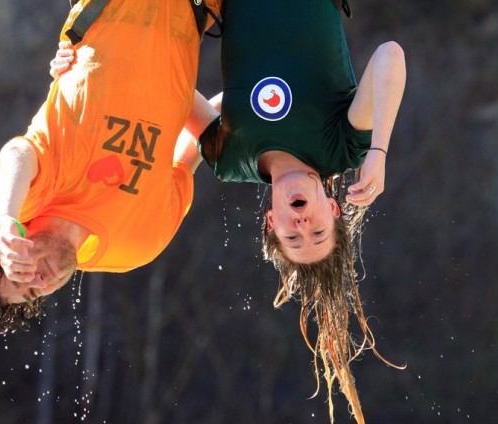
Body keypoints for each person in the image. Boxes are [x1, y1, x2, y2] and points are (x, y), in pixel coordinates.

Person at [53, 1, 406, 422]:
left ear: (270, 222)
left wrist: (83, 60)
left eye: (293, 237)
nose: (303, 225)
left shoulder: (230, 160)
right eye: (318, 232)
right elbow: (390, 55)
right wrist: (379, 151)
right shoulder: (343, 147)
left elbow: (171, 90)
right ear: (333, 208)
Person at [0, 0, 221, 334]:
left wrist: (8, 219)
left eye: (18, 271)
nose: (40, 279)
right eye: (33, 292)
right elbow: (196, 149)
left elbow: (16, 154)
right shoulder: (136, 246)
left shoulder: (38, 192)